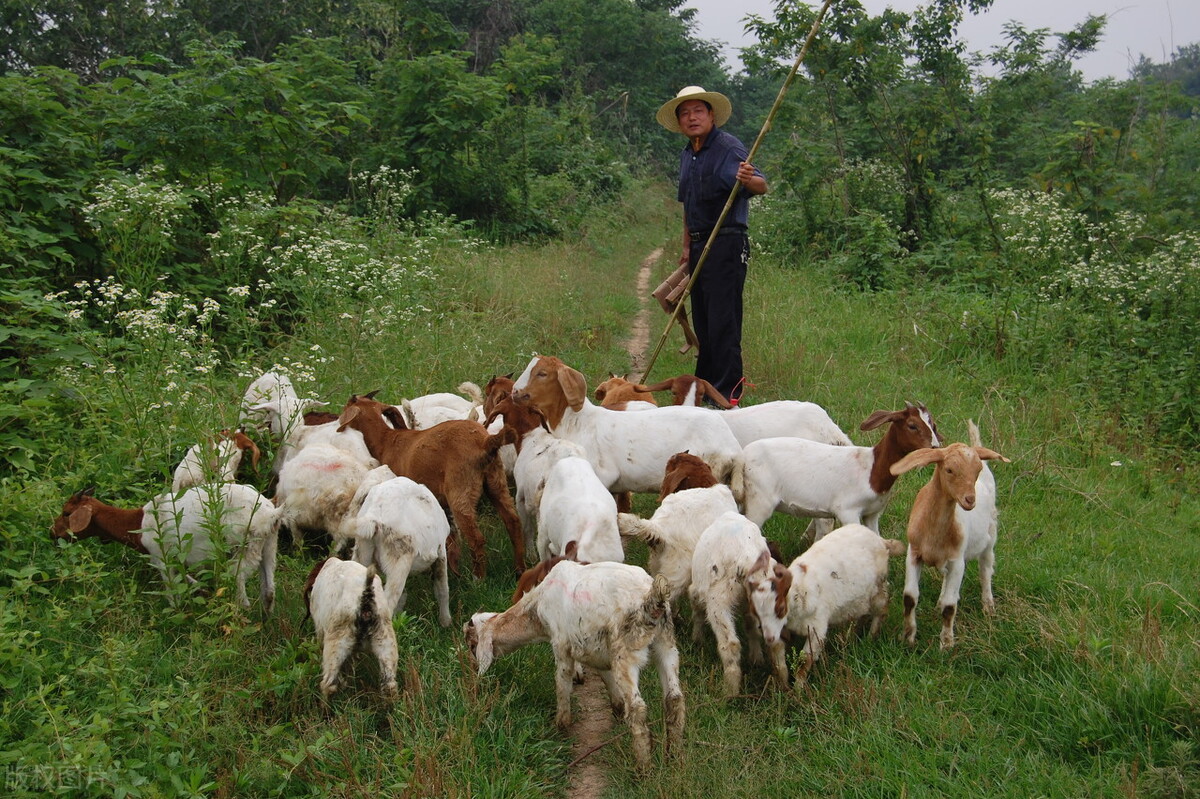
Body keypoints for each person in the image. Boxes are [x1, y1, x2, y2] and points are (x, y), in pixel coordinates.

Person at [656, 85, 767, 404]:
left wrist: (747, 179)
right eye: (685, 113)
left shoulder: (728, 147)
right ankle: (704, 389)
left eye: (698, 111)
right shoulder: (687, 154)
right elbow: (688, 205)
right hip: (699, 245)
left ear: (711, 115)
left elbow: (760, 184)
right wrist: (686, 248)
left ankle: (728, 395)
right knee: (703, 320)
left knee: (723, 320)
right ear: (679, 122)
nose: (692, 118)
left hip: (726, 242)